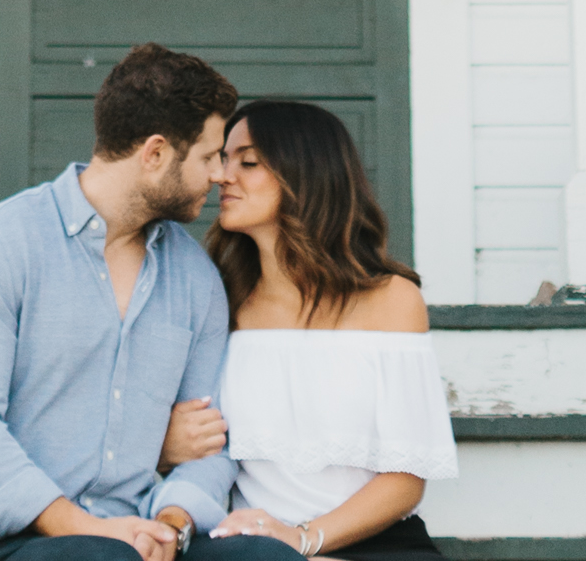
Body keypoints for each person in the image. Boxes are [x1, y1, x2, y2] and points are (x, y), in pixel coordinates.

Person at [0, 41, 246, 561]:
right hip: (15, 541)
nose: (219, 175)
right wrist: (84, 527)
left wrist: (171, 525)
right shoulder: (2, 245)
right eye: (210, 156)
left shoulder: (195, 279)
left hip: (140, 534)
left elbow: (212, 446)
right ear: (155, 154)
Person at [159, 103, 456, 561]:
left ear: (307, 175)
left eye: (248, 162)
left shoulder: (392, 299)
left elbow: (405, 479)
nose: (222, 176)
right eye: (222, 158)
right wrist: (167, 446)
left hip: (371, 545)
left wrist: (303, 538)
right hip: (249, 550)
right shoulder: (220, 296)